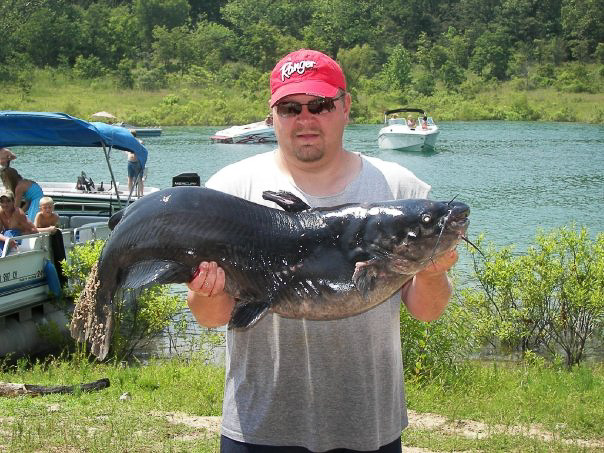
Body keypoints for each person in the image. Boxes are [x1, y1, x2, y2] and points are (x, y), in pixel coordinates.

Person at [187, 49, 459, 452]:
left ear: (346, 107)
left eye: (320, 105)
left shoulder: (400, 191)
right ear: (272, 114)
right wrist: (205, 291)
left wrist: (432, 273)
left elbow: (428, 310)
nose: (305, 119)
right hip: (259, 424)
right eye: (290, 108)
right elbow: (213, 318)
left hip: (368, 425)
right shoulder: (229, 190)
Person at [0, 148, 44, 222]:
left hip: (36, 197)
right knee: (24, 216)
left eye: (5, 180)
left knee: (32, 220)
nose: (4, 181)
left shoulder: (19, 188)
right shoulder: (20, 182)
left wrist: (9, 217)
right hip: (32, 197)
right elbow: (26, 204)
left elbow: (16, 206)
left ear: (10, 179)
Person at [127, 131, 144, 197]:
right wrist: (128, 153)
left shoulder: (139, 142)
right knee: (129, 178)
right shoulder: (128, 142)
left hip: (137, 162)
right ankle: (130, 193)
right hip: (130, 162)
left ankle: (141, 194)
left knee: (139, 178)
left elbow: (142, 149)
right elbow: (125, 150)